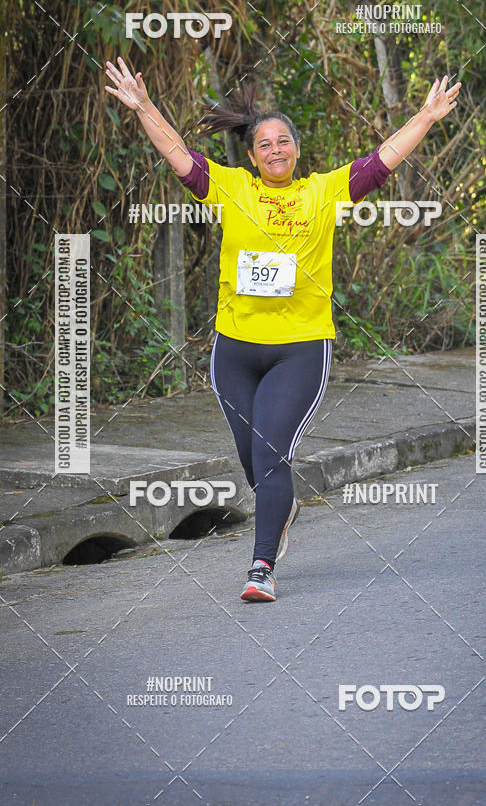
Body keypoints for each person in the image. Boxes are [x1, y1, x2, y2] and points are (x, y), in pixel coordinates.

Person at [105, 56, 461, 602]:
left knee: (270, 453)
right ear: (251, 155)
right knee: (255, 459)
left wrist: (427, 117)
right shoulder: (231, 189)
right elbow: (176, 154)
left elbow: (380, 161)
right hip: (235, 351)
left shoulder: (322, 192)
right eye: (264, 144)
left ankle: (261, 567)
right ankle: (282, 506)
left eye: (283, 142)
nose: (275, 150)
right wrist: (144, 106)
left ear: (297, 150)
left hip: (298, 349)